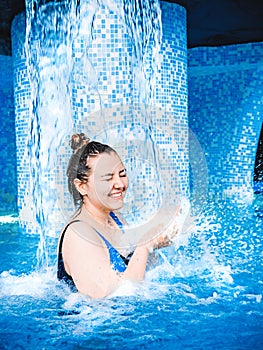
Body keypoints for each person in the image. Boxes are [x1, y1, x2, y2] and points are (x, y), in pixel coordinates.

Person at [57, 133, 178, 299]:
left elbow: (132, 266)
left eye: (122, 174)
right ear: (82, 186)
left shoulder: (114, 218)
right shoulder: (79, 235)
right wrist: (145, 246)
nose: (120, 185)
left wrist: (158, 237)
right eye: (107, 178)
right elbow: (111, 296)